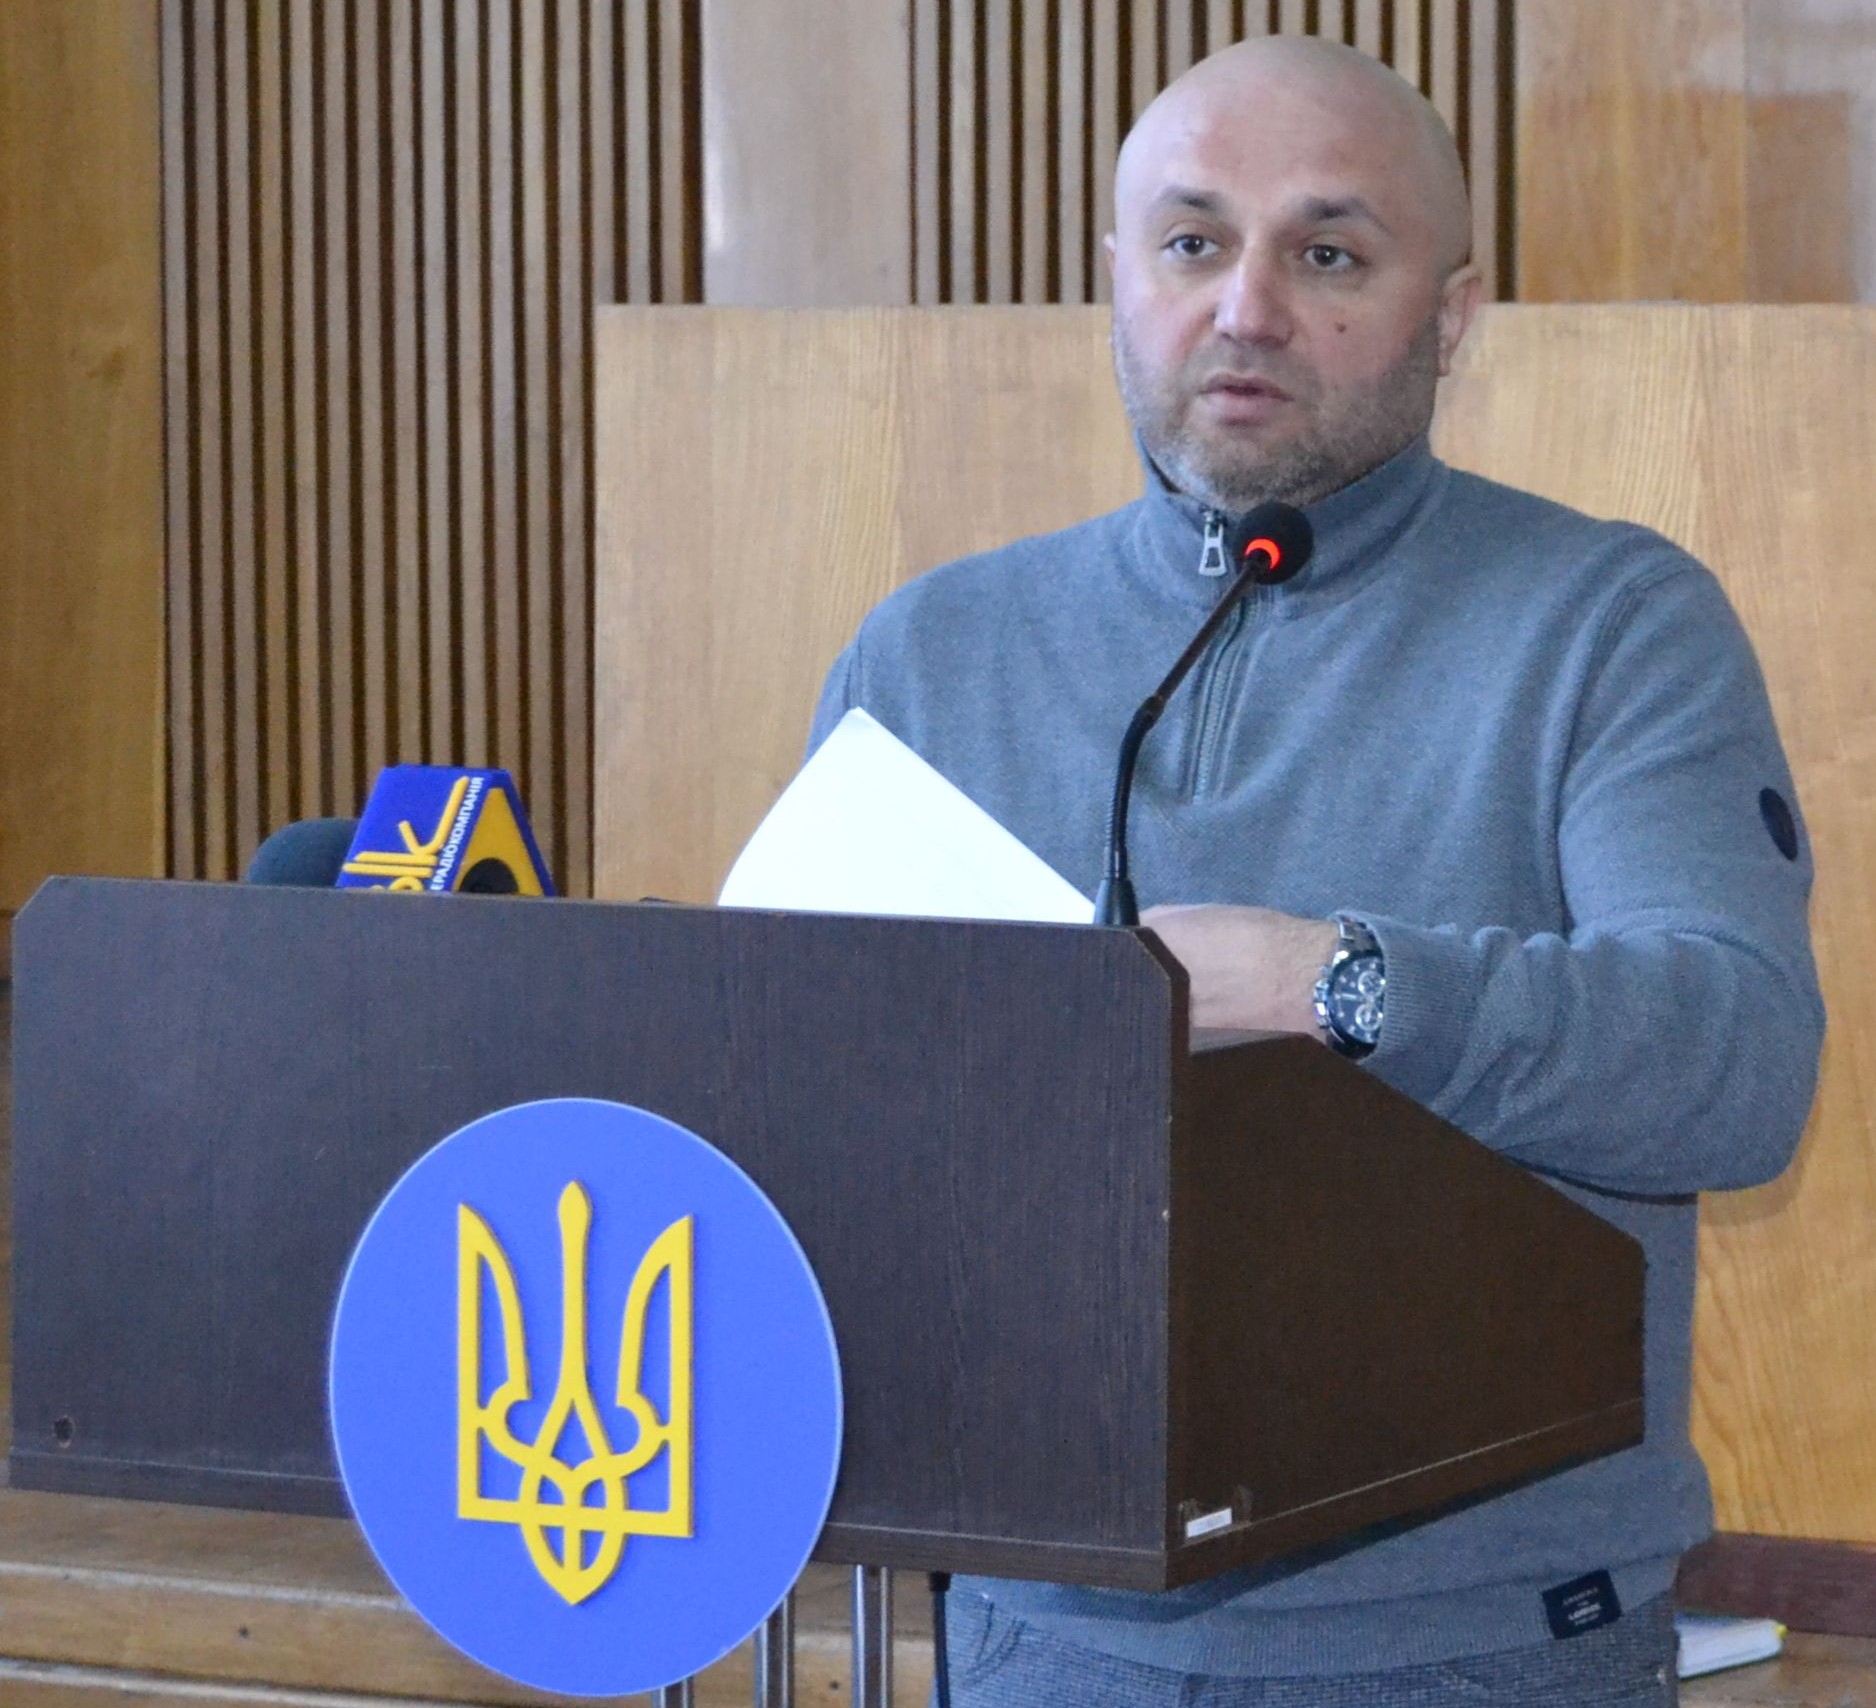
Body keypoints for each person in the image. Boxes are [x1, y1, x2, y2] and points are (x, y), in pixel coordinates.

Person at [808, 34, 1824, 1708]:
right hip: (1037, 1633)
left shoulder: (1614, 625)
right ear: (1116, 277)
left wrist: (1325, 982)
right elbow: (815, 1119)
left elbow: (1738, 1062)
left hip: (1476, 1649)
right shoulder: (931, 655)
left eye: (1330, 254)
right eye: (1192, 242)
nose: (1248, 308)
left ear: (1456, 314)